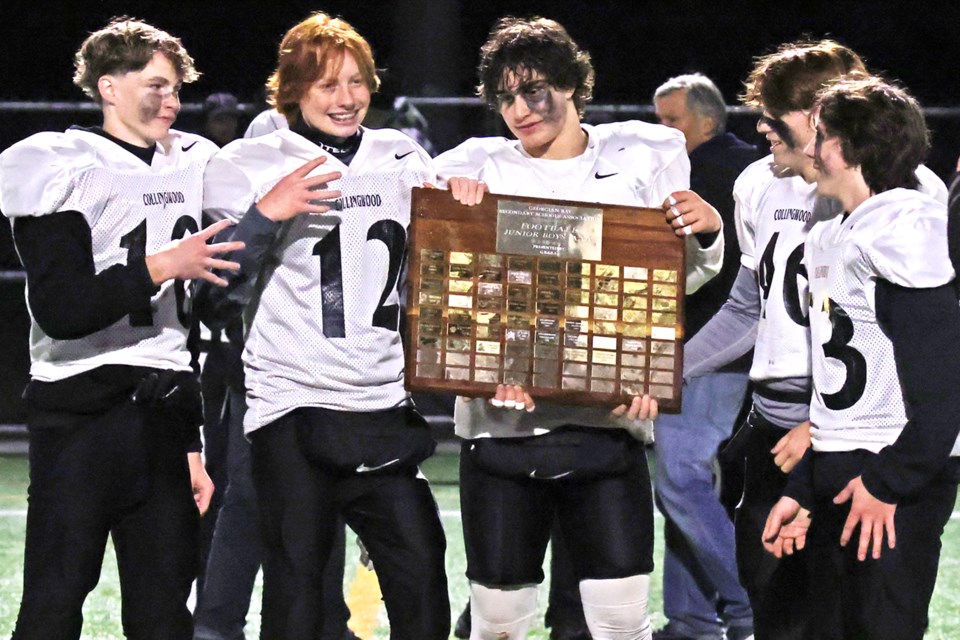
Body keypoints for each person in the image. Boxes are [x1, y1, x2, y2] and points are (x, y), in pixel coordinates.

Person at [436, 17, 724, 640]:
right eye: (506, 97)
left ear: (569, 83)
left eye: (534, 90)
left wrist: (704, 229)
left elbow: (668, 281)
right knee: (499, 625)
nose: (521, 109)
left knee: (620, 625)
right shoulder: (470, 166)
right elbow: (449, 289)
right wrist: (453, 213)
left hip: (609, 422)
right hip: (503, 425)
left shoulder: (640, 156)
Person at [195, 12, 449, 639]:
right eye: (328, 85)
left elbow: (445, 270)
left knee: (422, 579)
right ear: (293, 90)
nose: (346, 98)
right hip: (293, 405)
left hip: (383, 402)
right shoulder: (251, 162)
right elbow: (210, 296)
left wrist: (461, 199)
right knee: (298, 594)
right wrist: (263, 215)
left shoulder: (401, 155)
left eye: (357, 81)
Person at [682, 40, 946, 640]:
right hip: (792, 432)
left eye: (777, 117)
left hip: (867, 442)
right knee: (778, 604)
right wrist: (670, 370)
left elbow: (925, 357)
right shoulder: (768, 189)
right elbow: (752, 308)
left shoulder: (904, 204)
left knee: (867, 613)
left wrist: (839, 439)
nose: (762, 129)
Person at [0, 17, 243, 639]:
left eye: (176, 87)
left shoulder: (195, 161)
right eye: (155, 85)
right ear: (108, 87)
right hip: (80, 415)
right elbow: (64, 310)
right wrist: (163, 265)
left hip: (164, 416)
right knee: (54, 604)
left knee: (164, 613)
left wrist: (192, 445)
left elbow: (176, 340)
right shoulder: (61, 163)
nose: (171, 100)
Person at [763, 76, 960, 640]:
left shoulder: (906, 225)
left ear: (850, 147)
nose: (809, 149)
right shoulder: (836, 231)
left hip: (890, 469)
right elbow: (840, 385)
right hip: (846, 468)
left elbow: (944, 386)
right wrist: (805, 486)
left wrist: (890, 482)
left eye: (820, 136)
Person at [649, 73, 758, 640]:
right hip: (722, 348)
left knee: (681, 479)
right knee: (690, 485)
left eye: (672, 121)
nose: (662, 133)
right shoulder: (757, 165)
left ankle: (747, 605)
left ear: (708, 120)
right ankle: (691, 619)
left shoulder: (718, 170)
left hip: (713, 347)